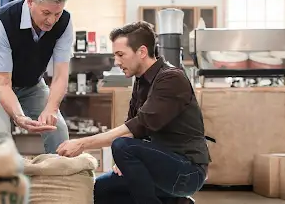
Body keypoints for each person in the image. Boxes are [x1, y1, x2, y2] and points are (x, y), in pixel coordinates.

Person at [56, 21, 211, 204]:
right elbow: (132, 126)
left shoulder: (171, 78)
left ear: (142, 52)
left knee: (122, 146)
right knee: (100, 190)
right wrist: (126, 164)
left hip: (187, 171)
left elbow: (137, 127)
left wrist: (82, 143)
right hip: (158, 166)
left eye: (121, 54)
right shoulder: (140, 81)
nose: (116, 62)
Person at [0, 0, 72, 154]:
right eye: (46, 13)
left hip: (32, 85)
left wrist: (51, 109)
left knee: (58, 129)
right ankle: (2, 179)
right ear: (30, 2)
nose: (51, 21)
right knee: (0, 137)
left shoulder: (65, 22)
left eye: (57, 14)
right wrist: (19, 117)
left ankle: (60, 179)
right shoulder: (1, 23)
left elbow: (61, 75)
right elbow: (3, 84)